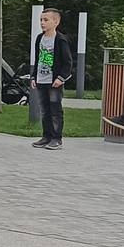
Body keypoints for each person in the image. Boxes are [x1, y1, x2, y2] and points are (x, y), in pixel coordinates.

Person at [28, 8, 76, 149]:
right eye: (41, 20)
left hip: (54, 81)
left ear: (56, 22)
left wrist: (61, 78)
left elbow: (68, 62)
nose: (42, 23)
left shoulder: (60, 40)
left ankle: (56, 138)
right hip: (41, 79)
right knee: (45, 109)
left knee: (55, 109)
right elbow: (38, 59)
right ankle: (46, 136)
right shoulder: (39, 39)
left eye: (46, 20)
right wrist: (33, 76)